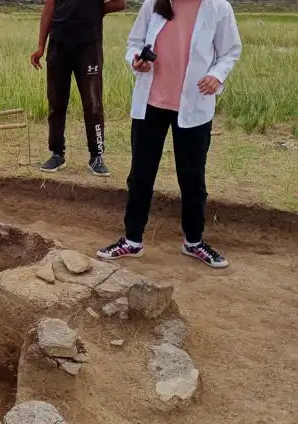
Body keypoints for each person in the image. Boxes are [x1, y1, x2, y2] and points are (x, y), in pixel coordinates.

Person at [96, 0, 242, 268]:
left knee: (192, 177)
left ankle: (194, 242)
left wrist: (217, 76)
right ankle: (132, 240)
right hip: (151, 103)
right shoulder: (154, 3)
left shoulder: (218, 7)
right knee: (141, 174)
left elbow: (229, 52)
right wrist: (136, 62)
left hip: (194, 106)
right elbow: (133, 44)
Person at [30, 0, 126, 176]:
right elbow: (49, 6)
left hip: (89, 45)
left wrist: (97, 11)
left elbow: (120, 3)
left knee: (93, 104)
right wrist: (41, 46)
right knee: (56, 102)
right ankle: (57, 154)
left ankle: (96, 156)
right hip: (58, 43)